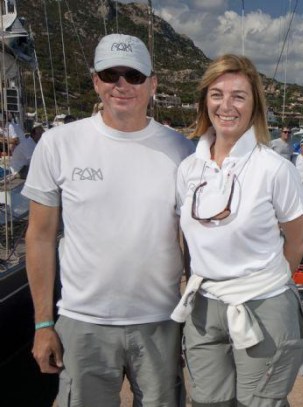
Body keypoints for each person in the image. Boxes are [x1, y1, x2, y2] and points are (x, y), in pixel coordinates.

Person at [23, 34, 194, 405]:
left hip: (161, 321)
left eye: (134, 76)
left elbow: (193, 241)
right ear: (95, 81)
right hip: (83, 322)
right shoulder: (58, 144)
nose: (122, 84)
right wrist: (43, 323)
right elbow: (39, 237)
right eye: (110, 74)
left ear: (152, 84)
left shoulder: (182, 151)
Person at [173, 54, 303, 406]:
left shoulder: (274, 168)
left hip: (263, 304)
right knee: (207, 402)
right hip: (204, 306)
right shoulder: (188, 169)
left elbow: (299, 238)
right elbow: (187, 238)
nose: (226, 105)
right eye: (217, 94)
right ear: (205, 101)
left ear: (254, 106)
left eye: (239, 96)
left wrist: (267, 285)